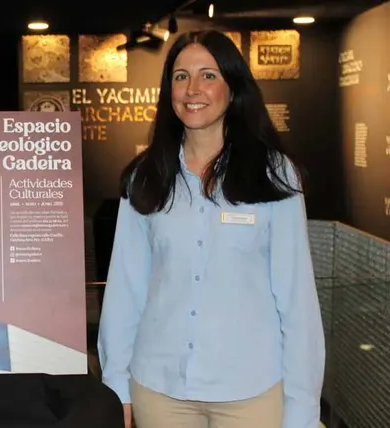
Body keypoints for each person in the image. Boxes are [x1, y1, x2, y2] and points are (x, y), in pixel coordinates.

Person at [97, 30, 325, 428]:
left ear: (232, 88)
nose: (192, 89)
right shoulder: (146, 177)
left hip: (250, 393)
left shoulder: (273, 174)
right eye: (180, 76)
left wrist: (302, 406)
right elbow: (124, 290)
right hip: (159, 391)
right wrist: (116, 382)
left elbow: (296, 299)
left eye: (208, 75)